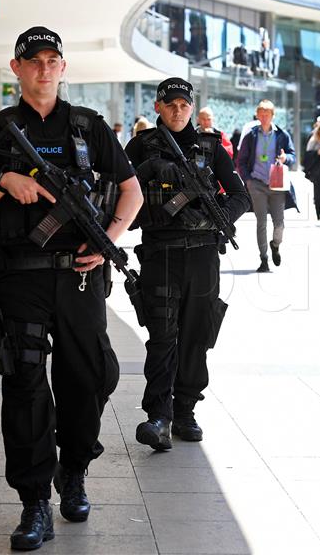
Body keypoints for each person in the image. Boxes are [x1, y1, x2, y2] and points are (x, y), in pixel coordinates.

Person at [0, 26, 143, 551]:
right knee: (25, 387)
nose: (43, 68)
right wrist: (0, 184)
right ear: (15, 68)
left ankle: (74, 469)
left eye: (52, 59)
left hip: (81, 276)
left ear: (63, 67)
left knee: (90, 377)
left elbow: (131, 192)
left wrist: (108, 237)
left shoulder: (89, 127)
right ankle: (34, 499)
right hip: (21, 277)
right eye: (32, 60)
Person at [124, 77, 250, 450]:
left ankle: (186, 411)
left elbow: (241, 196)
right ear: (158, 108)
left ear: (192, 108)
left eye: (184, 105)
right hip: (161, 254)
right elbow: (121, 201)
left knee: (196, 335)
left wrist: (215, 219)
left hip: (203, 255)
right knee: (163, 335)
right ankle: (158, 415)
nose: (178, 111)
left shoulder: (210, 148)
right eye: (171, 104)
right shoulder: (140, 147)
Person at [237, 99, 296, 272]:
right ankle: (263, 259)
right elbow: (240, 161)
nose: (263, 117)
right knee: (261, 222)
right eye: (260, 114)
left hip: (277, 184)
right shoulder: (251, 135)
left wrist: (287, 158)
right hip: (256, 184)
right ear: (257, 115)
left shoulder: (282, 135)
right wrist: (247, 180)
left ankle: (275, 245)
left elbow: (292, 156)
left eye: (267, 114)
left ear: (272, 115)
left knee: (279, 223)